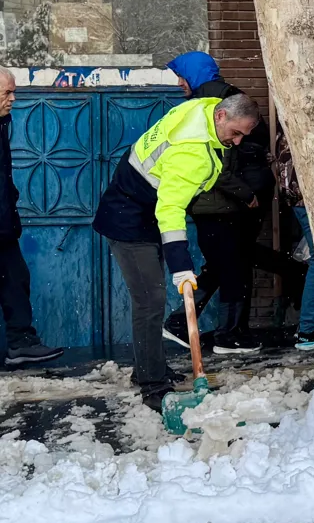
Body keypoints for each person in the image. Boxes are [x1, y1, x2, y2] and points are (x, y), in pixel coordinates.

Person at [93, 93, 262, 409]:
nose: (238, 142)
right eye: (235, 132)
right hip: (129, 218)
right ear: (221, 115)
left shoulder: (203, 107)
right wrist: (181, 265)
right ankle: (152, 385)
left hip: (138, 206)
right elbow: (170, 209)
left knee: (151, 299)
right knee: (150, 300)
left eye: (243, 135)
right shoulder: (192, 152)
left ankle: (149, 368)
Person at [160, 52, 302, 355]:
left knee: (229, 264)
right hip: (226, 204)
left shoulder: (209, 108)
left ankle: (216, 329)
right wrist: (248, 192)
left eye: (181, 76)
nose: (179, 83)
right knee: (231, 265)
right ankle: (221, 330)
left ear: (194, 75)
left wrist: (245, 193)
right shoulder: (222, 104)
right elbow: (227, 162)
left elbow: (224, 164)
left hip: (221, 205)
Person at [0, 67, 63, 366]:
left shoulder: (2, 124)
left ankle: (21, 344)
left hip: (3, 228)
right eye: (7, 93)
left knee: (15, 280)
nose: (13, 99)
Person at [274, 129, 314, 350]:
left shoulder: (288, 130)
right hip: (311, 201)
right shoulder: (303, 128)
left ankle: (309, 329)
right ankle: (308, 330)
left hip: (301, 200)